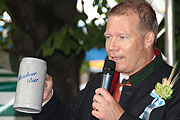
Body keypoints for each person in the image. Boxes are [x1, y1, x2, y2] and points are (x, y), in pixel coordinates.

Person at [32, 0, 180, 119]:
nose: (112, 47)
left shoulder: (176, 85)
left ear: (148, 39)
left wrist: (118, 117)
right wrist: (46, 100)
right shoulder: (99, 82)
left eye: (122, 37)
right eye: (108, 37)